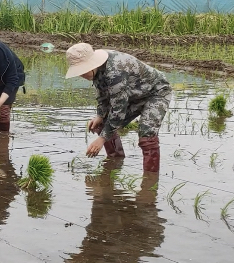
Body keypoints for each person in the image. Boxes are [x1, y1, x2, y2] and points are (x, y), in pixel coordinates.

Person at [65, 43, 171, 172]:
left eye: (83, 70)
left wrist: (101, 139)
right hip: (133, 94)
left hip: (156, 92)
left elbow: (118, 110)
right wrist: (100, 115)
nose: (81, 74)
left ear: (92, 64)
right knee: (102, 123)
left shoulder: (115, 71)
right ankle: (115, 163)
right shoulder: (98, 68)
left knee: (146, 135)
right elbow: (102, 92)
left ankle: (150, 179)